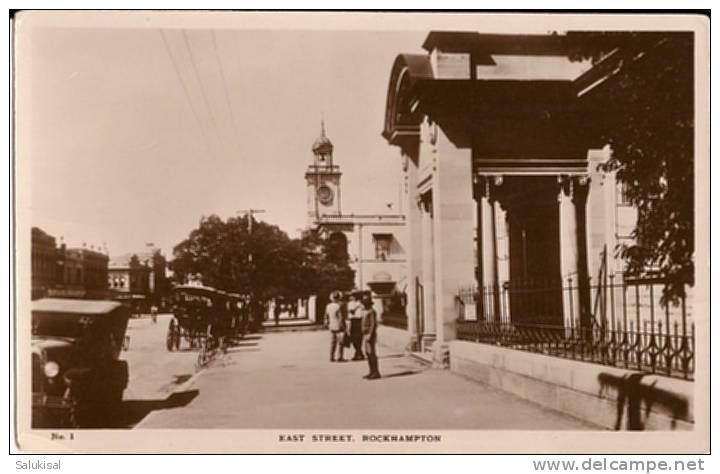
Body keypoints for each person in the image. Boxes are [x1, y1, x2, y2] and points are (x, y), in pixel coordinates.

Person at [361, 295, 380, 379]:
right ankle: (371, 371)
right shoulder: (365, 311)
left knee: (372, 353)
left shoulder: (372, 311)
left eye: (366, 304)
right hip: (365, 334)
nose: (364, 305)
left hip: (369, 334)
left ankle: (375, 372)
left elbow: (373, 324)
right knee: (368, 353)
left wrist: (370, 334)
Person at [324, 291, 346, 362]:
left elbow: (326, 316)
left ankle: (331, 356)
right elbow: (341, 317)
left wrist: (327, 323)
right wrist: (343, 326)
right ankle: (340, 357)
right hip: (339, 325)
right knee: (340, 342)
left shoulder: (328, 306)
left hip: (331, 325)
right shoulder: (338, 306)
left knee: (333, 342)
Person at [347, 292, 364, 360]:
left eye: (352, 296)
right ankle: (359, 353)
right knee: (353, 338)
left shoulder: (361, 304)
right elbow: (350, 311)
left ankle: (358, 353)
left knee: (359, 338)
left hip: (359, 320)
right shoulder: (350, 303)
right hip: (353, 320)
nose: (351, 297)